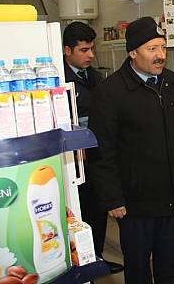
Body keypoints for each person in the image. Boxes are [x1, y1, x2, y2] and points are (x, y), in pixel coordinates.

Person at [87, 16, 174, 284]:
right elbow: (101, 151)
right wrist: (112, 198)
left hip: (171, 194)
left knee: (168, 262)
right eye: (152, 49)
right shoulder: (110, 92)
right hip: (134, 202)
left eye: (162, 48)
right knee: (138, 266)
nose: (160, 55)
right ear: (132, 52)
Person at [61, 21, 124, 276]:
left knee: (99, 212)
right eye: (83, 50)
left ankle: (96, 259)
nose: (90, 55)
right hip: (74, 161)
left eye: (91, 49)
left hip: (97, 157)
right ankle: (81, 265)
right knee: (81, 213)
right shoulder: (61, 82)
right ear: (67, 50)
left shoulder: (94, 77)